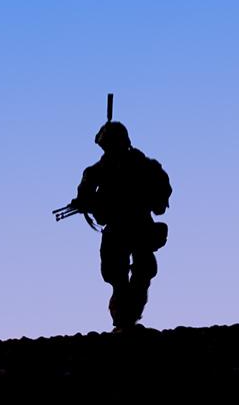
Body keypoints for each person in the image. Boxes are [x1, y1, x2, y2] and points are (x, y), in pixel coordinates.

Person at [67, 121, 171, 333]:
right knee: (118, 276)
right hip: (117, 229)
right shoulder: (99, 170)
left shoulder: (145, 166)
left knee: (142, 272)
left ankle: (128, 318)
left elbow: (161, 197)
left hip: (139, 226)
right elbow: (85, 195)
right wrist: (85, 202)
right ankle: (123, 320)